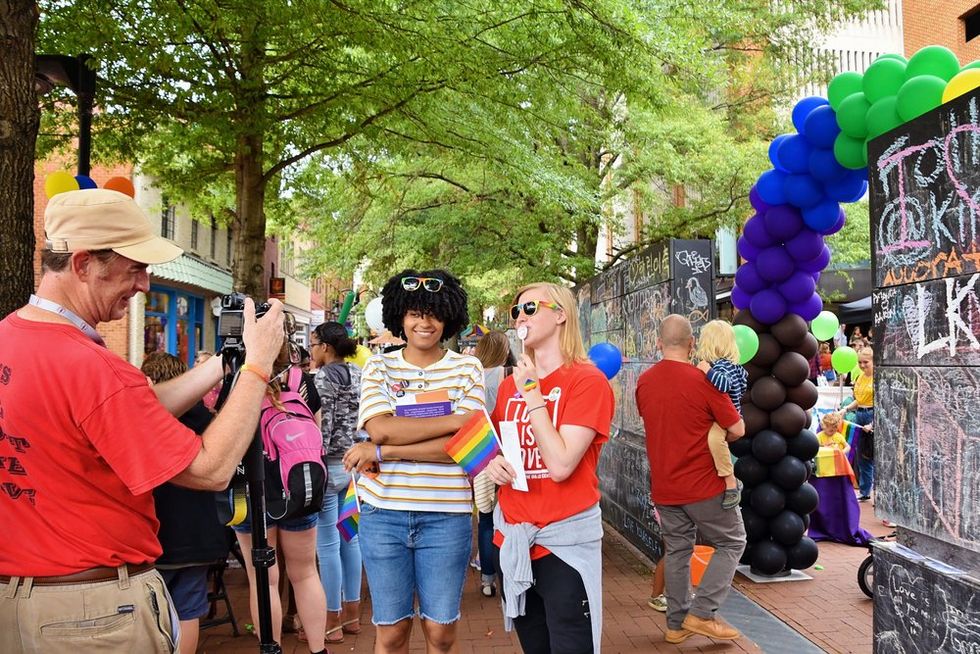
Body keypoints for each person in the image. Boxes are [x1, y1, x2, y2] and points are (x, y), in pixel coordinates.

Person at [0, 188, 286, 653]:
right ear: (83, 264)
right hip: (91, 615)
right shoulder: (93, 368)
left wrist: (221, 364)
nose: (145, 285)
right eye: (135, 268)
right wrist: (256, 367)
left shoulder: (12, 336)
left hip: (20, 601)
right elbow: (211, 470)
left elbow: (128, 409)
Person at [343, 269, 484, 654]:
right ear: (399, 317)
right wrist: (455, 421)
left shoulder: (467, 368)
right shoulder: (379, 366)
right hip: (384, 514)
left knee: (441, 632)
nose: (425, 323)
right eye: (415, 314)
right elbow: (380, 428)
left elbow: (463, 447)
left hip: (446, 517)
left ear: (448, 317)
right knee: (391, 633)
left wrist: (383, 451)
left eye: (434, 314)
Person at [483, 282, 615, 654]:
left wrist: (533, 395)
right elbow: (501, 446)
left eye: (530, 308)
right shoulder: (510, 387)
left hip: (565, 547)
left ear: (560, 315)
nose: (520, 317)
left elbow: (560, 464)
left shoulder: (587, 381)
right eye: (516, 311)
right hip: (514, 543)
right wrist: (494, 464)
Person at [635, 314, 746, 645]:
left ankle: (676, 624)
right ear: (692, 343)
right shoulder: (705, 381)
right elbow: (737, 429)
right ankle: (703, 612)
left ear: (658, 343)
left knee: (678, 551)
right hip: (704, 484)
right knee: (732, 541)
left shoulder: (644, 381)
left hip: (664, 485)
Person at [232, 340, 328, 653]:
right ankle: (318, 649)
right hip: (300, 486)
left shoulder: (238, 382)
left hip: (252, 490)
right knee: (306, 573)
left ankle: (272, 649)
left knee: (263, 578)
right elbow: (317, 431)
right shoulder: (304, 383)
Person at [141, 352, 229, 654]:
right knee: (188, 610)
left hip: (158, 537)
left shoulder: (146, 422)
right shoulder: (206, 419)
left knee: (153, 612)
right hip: (201, 534)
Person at [311, 321, 364, 644]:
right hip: (355, 464)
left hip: (329, 466)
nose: (311, 349)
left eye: (314, 343)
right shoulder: (358, 374)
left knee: (327, 545)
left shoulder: (322, 379)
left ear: (327, 347)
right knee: (350, 539)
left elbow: (323, 427)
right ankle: (353, 614)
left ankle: (331, 621)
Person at [472, 330, 516, 598]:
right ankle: (511, 575)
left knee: (486, 520)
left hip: (481, 454)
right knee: (511, 518)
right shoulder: (509, 375)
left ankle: (488, 578)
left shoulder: (471, 376)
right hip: (511, 453)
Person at [694, 320, 748, 510]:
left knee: (714, 440)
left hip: (724, 419)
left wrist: (708, 371)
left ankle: (730, 482)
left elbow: (723, 385)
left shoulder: (723, 366)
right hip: (726, 416)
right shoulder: (731, 365)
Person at [841, 347, 875, 501]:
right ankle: (865, 491)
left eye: (866, 362)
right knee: (863, 455)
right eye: (860, 362)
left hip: (872, 414)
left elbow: (884, 403)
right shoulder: (861, 378)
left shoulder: (878, 378)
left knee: (875, 455)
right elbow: (859, 400)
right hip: (860, 415)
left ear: (874, 361)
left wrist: (873, 423)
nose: (862, 365)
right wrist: (846, 409)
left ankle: (880, 495)